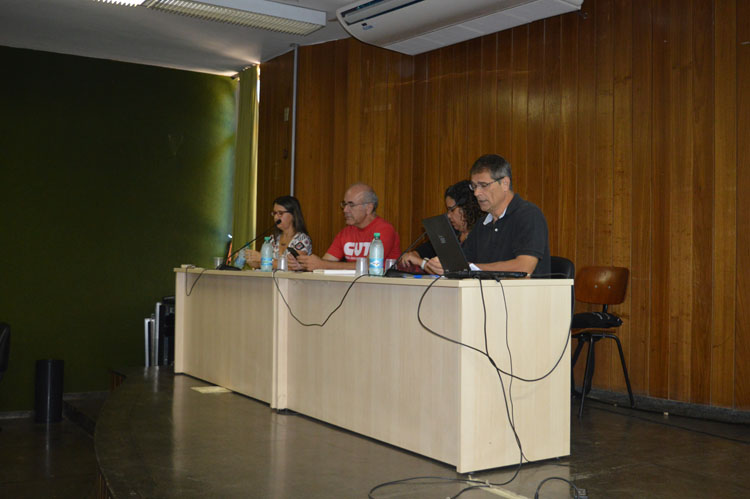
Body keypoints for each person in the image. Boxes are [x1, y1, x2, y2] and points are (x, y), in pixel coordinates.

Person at [425, 154, 551, 276]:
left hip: (525, 296)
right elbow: (462, 266)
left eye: (483, 185)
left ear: (505, 184)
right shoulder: (482, 224)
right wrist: (444, 267)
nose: (476, 193)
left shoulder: (529, 215)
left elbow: (524, 268)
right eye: (474, 186)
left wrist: (471, 269)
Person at [296, 183, 401, 270]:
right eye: (344, 204)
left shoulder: (384, 230)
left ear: (369, 208)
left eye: (351, 205)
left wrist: (323, 265)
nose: (345, 210)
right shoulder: (346, 232)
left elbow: (371, 266)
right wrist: (303, 264)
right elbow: (326, 261)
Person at [399, 180, 482, 271]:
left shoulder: (480, 232)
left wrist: (422, 263)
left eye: (452, 209)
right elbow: (419, 253)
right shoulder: (451, 232)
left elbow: (454, 270)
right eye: (448, 210)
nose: (448, 215)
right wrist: (412, 256)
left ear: (467, 207)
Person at [244, 195, 312, 270]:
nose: (276, 217)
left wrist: (263, 259)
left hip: (293, 281)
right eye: (275, 213)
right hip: (270, 281)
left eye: (280, 213)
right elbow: (262, 265)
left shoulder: (302, 239)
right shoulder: (272, 239)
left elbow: (293, 266)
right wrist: (250, 258)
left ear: (293, 214)